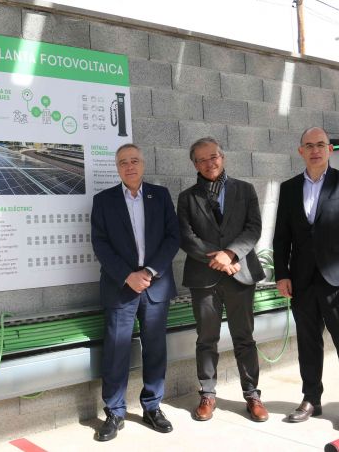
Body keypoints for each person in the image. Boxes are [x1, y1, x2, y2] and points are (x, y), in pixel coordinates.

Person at [273, 127, 339, 430]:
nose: (315, 150)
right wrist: (282, 274)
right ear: (300, 151)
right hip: (302, 282)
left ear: (330, 149)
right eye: (309, 145)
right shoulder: (289, 188)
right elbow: (281, 237)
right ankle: (311, 399)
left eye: (321, 145)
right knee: (308, 343)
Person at [91, 143, 180, 441]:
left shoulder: (160, 195)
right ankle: (115, 411)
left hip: (155, 286)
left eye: (134, 161)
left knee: (155, 348)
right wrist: (127, 276)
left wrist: (150, 271)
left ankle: (152, 407)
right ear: (117, 168)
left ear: (143, 164)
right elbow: (100, 244)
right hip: (120, 287)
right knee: (116, 351)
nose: (129, 166)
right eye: (123, 162)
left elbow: (173, 237)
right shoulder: (103, 200)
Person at [177, 137, 268, 422]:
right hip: (203, 278)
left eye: (213, 156)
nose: (209, 163)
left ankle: (252, 394)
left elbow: (253, 228)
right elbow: (186, 237)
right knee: (206, 339)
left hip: (240, 274)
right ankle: (207, 393)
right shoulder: (187, 198)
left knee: (245, 338)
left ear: (223, 157)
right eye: (202, 159)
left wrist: (230, 254)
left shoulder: (245, 190)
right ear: (195, 164)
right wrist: (216, 258)